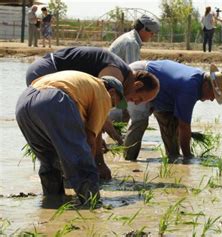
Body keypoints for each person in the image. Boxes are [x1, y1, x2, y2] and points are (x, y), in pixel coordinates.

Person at [25, 46, 160, 179]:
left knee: (66, 133)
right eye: (140, 99)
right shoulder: (116, 74)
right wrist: (99, 162)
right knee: (65, 132)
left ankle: (63, 175)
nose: (136, 103)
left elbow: (96, 111)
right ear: (137, 85)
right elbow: (97, 107)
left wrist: (109, 131)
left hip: (45, 78)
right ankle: (70, 176)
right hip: (46, 72)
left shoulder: (122, 74)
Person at [16, 71, 127, 204]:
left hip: (24, 102)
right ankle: (91, 205)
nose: (111, 107)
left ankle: (52, 201)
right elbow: (89, 140)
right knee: (82, 161)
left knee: (50, 161)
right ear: (113, 92)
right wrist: (91, 166)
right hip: (54, 100)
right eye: (113, 104)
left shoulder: (84, 83)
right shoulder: (102, 92)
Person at [123, 60, 222, 161]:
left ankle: (173, 158)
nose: (212, 99)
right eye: (213, 95)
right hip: (142, 76)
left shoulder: (198, 81)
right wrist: (188, 157)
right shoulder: (190, 88)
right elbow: (184, 126)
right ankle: (128, 160)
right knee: (140, 121)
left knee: (171, 124)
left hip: (163, 94)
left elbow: (180, 123)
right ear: (207, 86)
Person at [109, 14, 160, 123]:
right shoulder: (131, 43)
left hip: (115, 82)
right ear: (144, 29)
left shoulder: (131, 39)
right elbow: (133, 72)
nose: (152, 36)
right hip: (113, 85)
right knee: (117, 120)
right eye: (151, 33)